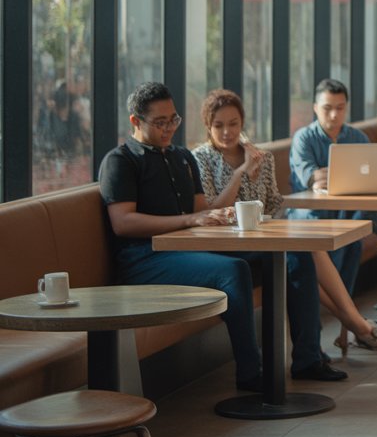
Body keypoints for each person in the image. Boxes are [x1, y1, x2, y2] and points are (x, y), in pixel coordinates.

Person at [99, 82, 348, 392]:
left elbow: (202, 211)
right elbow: (123, 223)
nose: (168, 129)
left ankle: (308, 359)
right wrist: (191, 219)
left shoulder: (180, 157)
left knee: (295, 253)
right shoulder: (120, 161)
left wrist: (217, 216)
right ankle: (251, 372)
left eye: (173, 120)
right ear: (136, 121)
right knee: (232, 270)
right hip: (145, 259)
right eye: (159, 122)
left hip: (190, 250)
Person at [193, 89, 377, 352]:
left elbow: (274, 202)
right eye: (218, 126)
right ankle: (355, 322)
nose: (227, 132)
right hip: (225, 243)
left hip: (262, 235)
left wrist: (257, 176)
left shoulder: (260, 157)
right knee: (306, 251)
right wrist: (240, 174)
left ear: (242, 124)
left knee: (312, 248)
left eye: (233, 124)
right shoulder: (200, 159)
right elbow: (211, 211)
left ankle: (344, 327)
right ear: (208, 126)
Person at [289, 78, 367, 294]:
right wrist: (349, 175)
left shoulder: (357, 137)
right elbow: (312, 179)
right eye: (327, 108)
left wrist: (326, 174)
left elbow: (370, 177)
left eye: (340, 108)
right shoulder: (303, 138)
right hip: (307, 213)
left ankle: (344, 313)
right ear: (315, 108)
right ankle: (340, 311)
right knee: (340, 234)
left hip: (344, 212)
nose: (334, 114)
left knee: (355, 236)